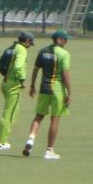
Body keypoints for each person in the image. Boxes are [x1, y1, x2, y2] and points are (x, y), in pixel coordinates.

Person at [23, 29, 72, 160]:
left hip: (43, 88)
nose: (66, 42)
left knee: (38, 116)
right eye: (65, 39)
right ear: (59, 40)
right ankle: (49, 150)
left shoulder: (42, 51)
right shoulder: (64, 54)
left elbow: (35, 69)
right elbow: (65, 75)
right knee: (55, 119)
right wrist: (69, 93)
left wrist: (32, 85)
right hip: (57, 90)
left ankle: (31, 139)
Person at [0, 31, 33, 150]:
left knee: (14, 112)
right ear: (26, 41)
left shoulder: (11, 48)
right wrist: (22, 79)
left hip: (6, 83)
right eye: (30, 43)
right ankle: (1, 141)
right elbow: (17, 66)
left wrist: (6, 75)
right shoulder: (21, 49)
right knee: (9, 114)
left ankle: (2, 136)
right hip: (13, 86)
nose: (30, 46)